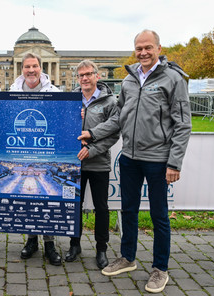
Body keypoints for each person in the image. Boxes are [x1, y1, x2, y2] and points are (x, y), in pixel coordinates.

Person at [79, 30, 191, 293]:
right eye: (139, 48)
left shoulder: (173, 79)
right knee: (127, 211)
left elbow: (183, 125)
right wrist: (93, 133)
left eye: (148, 47)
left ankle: (159, 269)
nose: (143, 52)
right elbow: (119, 118)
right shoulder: (129, 81)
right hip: (128, 157)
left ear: (158, 48)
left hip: (158, 160)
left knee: (159, 215)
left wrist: (174, 162)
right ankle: (128, 258)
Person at [9, 52, 62, 266]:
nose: (31, 70)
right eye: (27, 66)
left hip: (46, 149)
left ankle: (50, 244)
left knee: (46, 200)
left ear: (41, 68)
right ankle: (31, 241)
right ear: (22, 69)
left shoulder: (55, 92)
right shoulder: (12, 91)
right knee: (27, 198)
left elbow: (61, 118)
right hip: (21, 149)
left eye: (35, 66)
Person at [65, 60, 119, 269]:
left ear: (98, 75)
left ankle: (101, 249)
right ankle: (75, 244)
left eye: (89, 74)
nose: (85, 78)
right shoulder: (71, 100)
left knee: (101, 208)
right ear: (77, 78)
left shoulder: (109, 102)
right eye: (81, 75)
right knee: (74, 206)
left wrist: (92, 149)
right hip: (74, 164)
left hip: (98, 163)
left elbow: (114, 134)